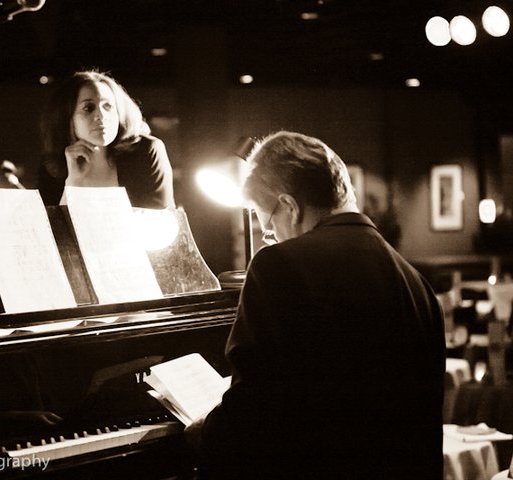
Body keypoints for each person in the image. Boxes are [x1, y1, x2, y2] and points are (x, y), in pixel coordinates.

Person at [191, 131, 445, 479]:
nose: (272, 236)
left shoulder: (278, 265)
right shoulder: (416, 284)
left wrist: (204, 433)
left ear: (290, 208)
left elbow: (255, 407)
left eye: (268, 224)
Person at [37, 70, 175, 209]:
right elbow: (51, 228)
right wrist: (73, 183)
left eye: (108, 106)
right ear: (66, 118)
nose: (101, 115)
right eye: (88, 108)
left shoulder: (145, 151)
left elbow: (162, 221)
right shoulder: (52, 165)